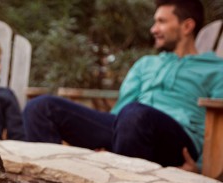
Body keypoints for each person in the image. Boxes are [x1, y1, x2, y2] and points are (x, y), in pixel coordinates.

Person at [23, 0, 223, 169]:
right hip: (129, 126)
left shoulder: (215, 69)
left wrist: (201, 167)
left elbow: (219, 126)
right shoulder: (146, 64)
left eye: (161, 22)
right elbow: (121, 110)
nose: (153, 29)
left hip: (177, 142)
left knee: (135, 115)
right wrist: (111, 138)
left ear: (187, 26)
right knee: (40, 107)